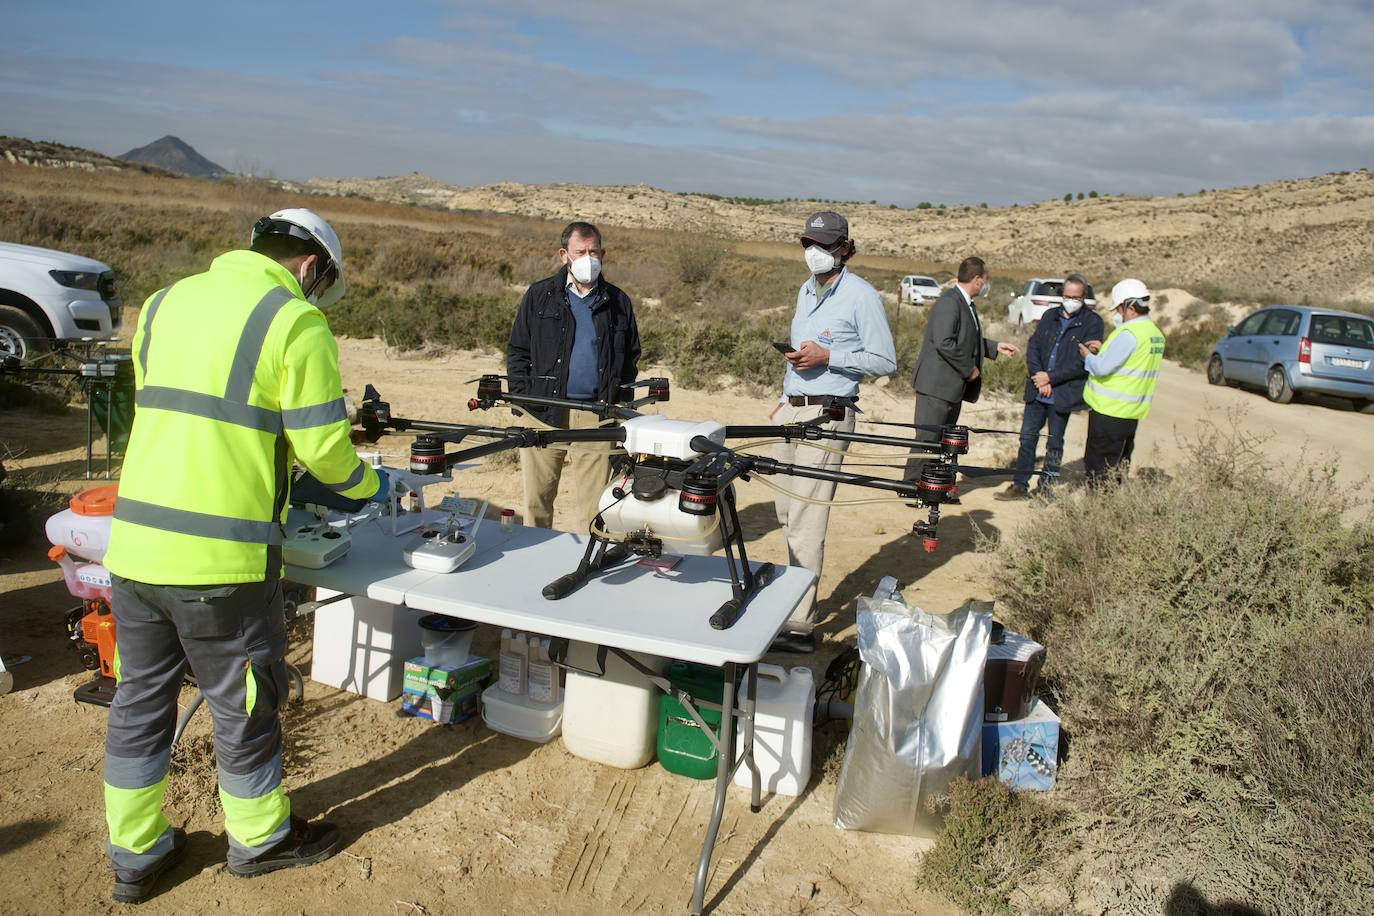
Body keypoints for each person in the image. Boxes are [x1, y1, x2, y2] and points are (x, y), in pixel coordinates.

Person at [101, 209, 389, 903]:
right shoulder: (295, 322)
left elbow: (180, 415)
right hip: (220, 561)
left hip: (137, 545)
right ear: (311, 268)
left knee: (140, 700)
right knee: (243, 703)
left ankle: (135, 852)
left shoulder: (166, 302)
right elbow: (322, 447)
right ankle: (260, 839)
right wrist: (373, 485)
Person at [771, 211, 896, 654]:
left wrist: (830, 356)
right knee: (784, 510)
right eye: (808, 241)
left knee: (807, 519)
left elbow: (884, 361)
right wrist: (784, 394)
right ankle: (793, 600)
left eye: (824, 244)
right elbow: (802, 353)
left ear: (845, 247)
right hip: (791, 411)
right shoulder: (806, 291)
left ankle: (800, 626)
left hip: (827, 418)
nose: (815, 251)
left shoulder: (862, 296)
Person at [507, 221, 641, 532]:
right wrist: (522, 399)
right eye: (580, 252)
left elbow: (630, 357)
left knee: (595, 505)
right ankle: (534, 551)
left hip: (597, 416)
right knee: (537, 499)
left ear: (603, 254)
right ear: (563, 255)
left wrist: (618, 406)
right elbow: (518, 350)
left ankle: (585, 565)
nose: (588, 258)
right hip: (542, 412)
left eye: (594, 251)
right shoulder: (539, 295)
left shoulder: (618, 301)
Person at [906, 257, 1019, 480]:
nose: (987, 285)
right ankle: (912, 485)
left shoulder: (965, 303)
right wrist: (969, 369)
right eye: (986, 280)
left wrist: (994, 347)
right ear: (977, 280)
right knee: (927, 439)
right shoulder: (950, 302)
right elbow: (944, 342)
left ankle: (932, 485)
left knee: (941, 441)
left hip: (950, 388)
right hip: (936, 386)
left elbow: (965, 339)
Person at [996, 274, 1103, 499]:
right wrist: (1038, 376)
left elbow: (1083, 363)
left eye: (1075, 297)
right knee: (1027, 438)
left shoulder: (1092, 323)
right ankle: (1020, 484)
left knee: (1054, 443)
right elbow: (1034, 346)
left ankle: (1046, 487)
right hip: (1037, 390)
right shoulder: (1049, 316)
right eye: (1067, 296)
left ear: (1083, 297)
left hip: (1062, 393)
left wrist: (1051, 379)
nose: (1071, 300)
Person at [1079, 278, 1165, 485]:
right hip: (1131, 413)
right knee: (1119, 466)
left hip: (1109, 412)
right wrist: (1104, 351)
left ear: (1129, 306)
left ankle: (1098, 510)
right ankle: (1113, 509)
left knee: (1098, 468)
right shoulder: (1154, 334)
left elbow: (1101, 368)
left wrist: (1087, 356)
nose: (1118, 314)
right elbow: (1131, 363)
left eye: (1119, 309)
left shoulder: (1128, 334)